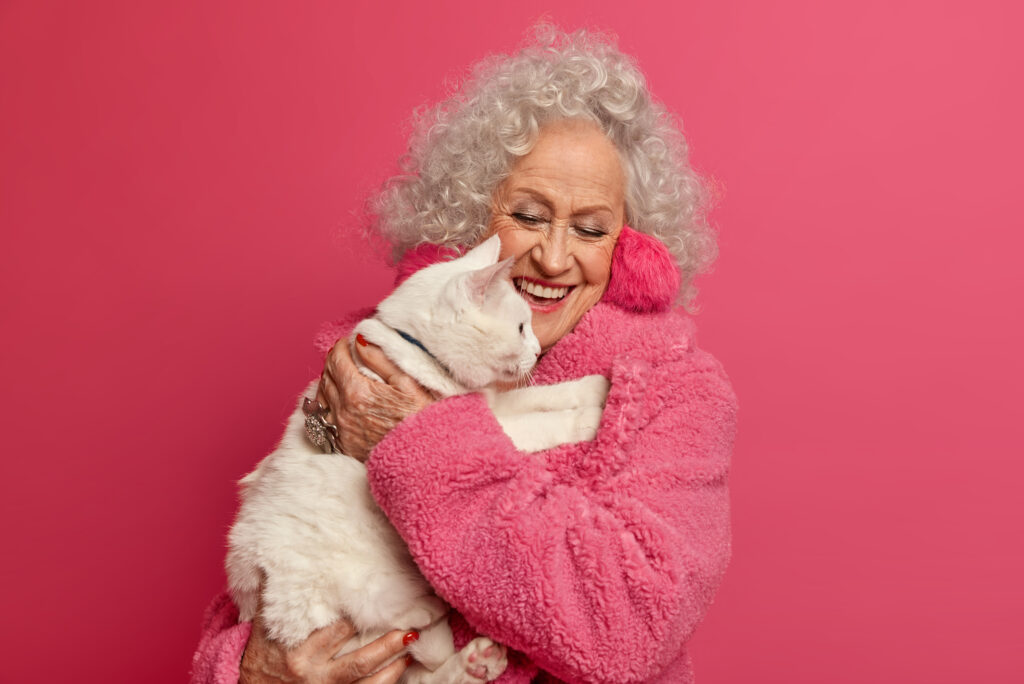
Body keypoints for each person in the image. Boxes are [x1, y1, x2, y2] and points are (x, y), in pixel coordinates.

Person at [191, 27, 736, 684]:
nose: (554, 258)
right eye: (528, 217)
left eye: (591, 229)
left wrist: (416, 439)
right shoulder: (370, 365)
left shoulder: (672, 394)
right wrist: (253, 672)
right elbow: (279, 558)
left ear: (630, 248)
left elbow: (625, 628)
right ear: (474, 218)